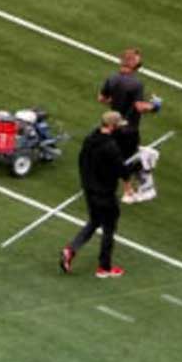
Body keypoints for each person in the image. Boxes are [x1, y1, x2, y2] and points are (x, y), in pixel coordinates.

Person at [60, 112, 151, 278]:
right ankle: (105, 267)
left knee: (94, 221)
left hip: (89, 189)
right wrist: (139, 164)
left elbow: (83, 161)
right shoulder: (110, 147)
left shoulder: (90, 139)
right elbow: (121, 171)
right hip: (105, 194)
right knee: (109, 230)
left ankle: (71, 249)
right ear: (111, 126)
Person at [98, 47, 162, 203]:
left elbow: (102, 98)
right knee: (130, 159)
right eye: (138, 59)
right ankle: (139, 189)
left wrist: (119, 102)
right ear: (132, 62)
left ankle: (129, 189)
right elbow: (140, 106)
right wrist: (155, 106)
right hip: (129, 129)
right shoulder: (136, 83)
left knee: (126, 156)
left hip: (115, 126)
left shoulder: (112, 78)